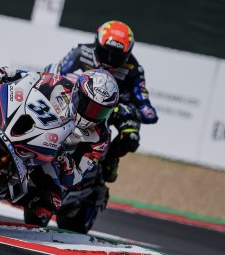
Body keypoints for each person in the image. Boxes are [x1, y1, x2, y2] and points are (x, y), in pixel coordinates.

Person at [0, 67, 119, 226]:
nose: (92, 114)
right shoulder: (62, 84)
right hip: (28, 123)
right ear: (78, 92)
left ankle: (5, 191)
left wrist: (68, 165)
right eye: (89, 105)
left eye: (100, 111)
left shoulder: (99, 138)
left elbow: (76, 176)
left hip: (49, 157)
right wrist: (5, 72)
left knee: (51, 201)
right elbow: (31, 76)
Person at [45, 20, 158, 183]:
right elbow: (57, 73)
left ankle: (111, 159)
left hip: (112, 110)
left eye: (117, 56)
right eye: (106, 52)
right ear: (96, 43)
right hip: (75, 102)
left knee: (131, 136)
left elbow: (144, 103)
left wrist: (138, 111)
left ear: (127, 54)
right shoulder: (81, 51)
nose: (110, 59)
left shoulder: (134, 69)